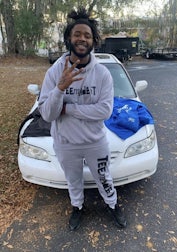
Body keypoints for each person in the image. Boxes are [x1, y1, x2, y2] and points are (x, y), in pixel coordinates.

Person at [38, 7, 127, 231]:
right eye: (77, 34)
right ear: (69, 37)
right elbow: (47, 114)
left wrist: (67, 109)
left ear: (93, 41)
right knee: (73, 181)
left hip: (95, 142)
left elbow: (104, 111)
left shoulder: (102, 74)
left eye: (87, 35)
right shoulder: (54, 72)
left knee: (104, 178)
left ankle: (112, 204)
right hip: (66, 142)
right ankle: (77, 207)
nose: (82, 39)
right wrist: (60, 88)